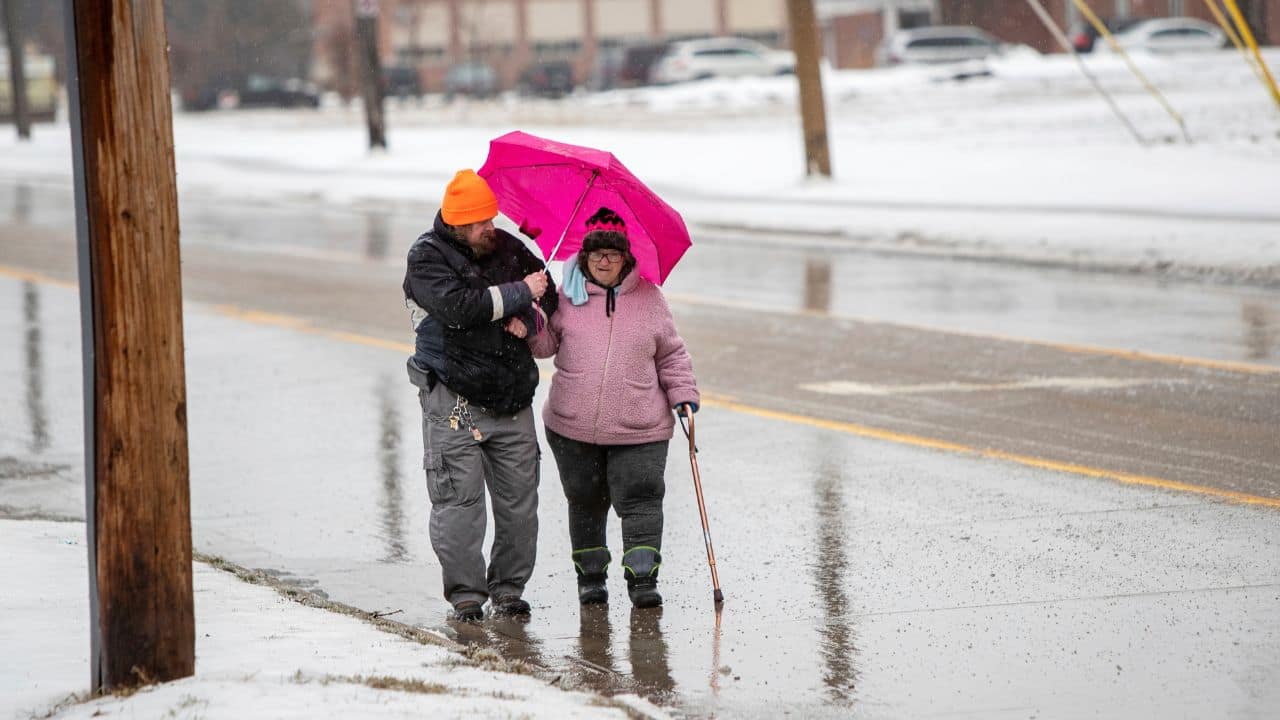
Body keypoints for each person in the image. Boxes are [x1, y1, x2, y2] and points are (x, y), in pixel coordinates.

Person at [403, 169, 557, 622]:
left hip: (512, 398)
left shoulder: (506, 247)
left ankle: (509, 589)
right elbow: (459, 308)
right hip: (453, 399)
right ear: (455, 225)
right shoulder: (426, 258)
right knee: (459, 503)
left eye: (490, 217)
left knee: (519, 502)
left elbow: (548, 294)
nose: (490, 227)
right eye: (478, 222)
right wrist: (517, 295)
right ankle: (467, 596)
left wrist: (530, 318)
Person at [528, 206, 699, 608]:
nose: (604, 260)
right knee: (585, 501)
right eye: (596, 253)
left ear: (627, 257)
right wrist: (533, 318)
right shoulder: (566, 296)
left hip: (640, 427)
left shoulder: (650, 298)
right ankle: (590, 579)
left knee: (641, 500)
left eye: (613, 253)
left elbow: (671, 355)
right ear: (584, 255)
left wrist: (684, 396)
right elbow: (545, 347)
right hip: (572, 425)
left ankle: (643, 580)